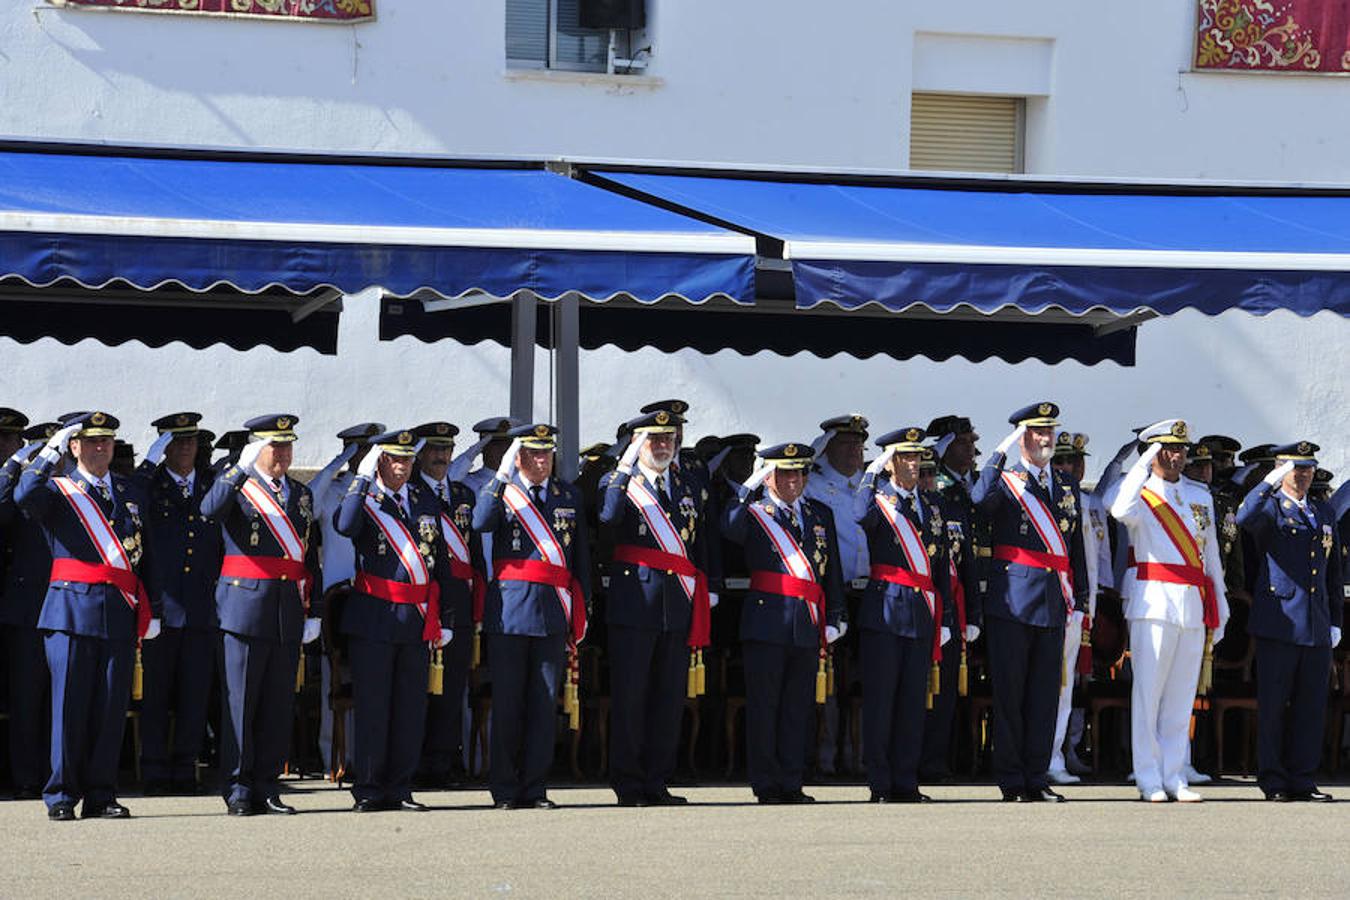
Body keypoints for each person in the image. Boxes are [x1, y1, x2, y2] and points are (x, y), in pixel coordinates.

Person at [16, 412, 160, 820]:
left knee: (110, 708)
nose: (101, 448)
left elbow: (147, 555)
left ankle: (101, 793)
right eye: (91, 442)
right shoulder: (58, 489)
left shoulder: (130, 492)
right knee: (68, 706)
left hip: (118, 611)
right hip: (70, 611)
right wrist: (48, 453)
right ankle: (61, 794)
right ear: (74, 447)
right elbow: (24, 494)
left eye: (107, 442)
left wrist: (155, 610)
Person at [201, 414, 322, 816]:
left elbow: (310, 556)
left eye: (288, 446)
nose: (284, 453)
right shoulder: (238, 487)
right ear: (257, 448)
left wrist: (314, 609)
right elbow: (209, 509)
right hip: (243, 607)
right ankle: (237, 787)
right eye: (275, 446)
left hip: (287, 607)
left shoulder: (300, 494)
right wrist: (238, 467)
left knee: (276, 703)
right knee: (240, 702)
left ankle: (268, 785)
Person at [970, 402, 1089, 803]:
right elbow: (978, 501)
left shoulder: (1066, 484)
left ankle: (1036, 777)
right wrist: (998, 454)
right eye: (1037, 432)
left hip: (1055, 599)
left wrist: (1083, 596)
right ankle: (1012, 780)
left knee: (1043, 696)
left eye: (1050, 432)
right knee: (1011, 695)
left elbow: (1075, 546)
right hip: (1013, 600)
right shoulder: (1005, 479)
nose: (1045, 439)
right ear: (1022, 436)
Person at [334, 429, 456, 811]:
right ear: (380, 461)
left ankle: (400, 787)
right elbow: (344, 526)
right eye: (394, 459)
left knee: (408, 709)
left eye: (407, 459)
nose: (402, 466)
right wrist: (362, 478)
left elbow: (442, 563)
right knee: (373, 708)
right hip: (374, 618)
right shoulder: (364, 500)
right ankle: (369, 788)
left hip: (415, 621)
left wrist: (445, 617)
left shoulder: (423, 499)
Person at [1109, 419, 1229, 803]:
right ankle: (1148, 777)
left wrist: (1220, 604)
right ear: (1153, 451)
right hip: (1154, 602)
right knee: (1149, 695)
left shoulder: (1200, 496)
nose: (1176, 456)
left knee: (1181, 697)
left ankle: (1175, 774)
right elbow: (1118, 510)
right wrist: (1143, 464)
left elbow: (1210, 556)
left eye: (1180, 449)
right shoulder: (1140, 492)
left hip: (1192, 603)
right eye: (1167, 449)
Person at [472, 423, 590, 810]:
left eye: (547, 453)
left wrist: (581, 609)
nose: (542, 460)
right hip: (510, 614)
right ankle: (505, 788)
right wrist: (502, 474)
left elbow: (581, 561)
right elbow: (480, 522)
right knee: (509, 704)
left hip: (553, 613)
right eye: (534, 453)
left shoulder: (567, 496)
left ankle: (535, 787)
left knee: (543, 704)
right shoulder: (504, 493)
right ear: (519, 457)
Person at [599, 410, 713, 806]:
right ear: (637, 443)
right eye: (653, 439)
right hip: (635, 606)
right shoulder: (619, 482)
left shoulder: (687, 484)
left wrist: (707, 587)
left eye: (668, 438)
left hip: (676, 605)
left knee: (668, 699)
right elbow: (608, 516)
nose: (663, 446)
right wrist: (625, 465)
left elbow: (700, 542)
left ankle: (657, 780)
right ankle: (628, 783)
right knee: (632, 697)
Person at [722, 441, 845, 804]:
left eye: (801, 472)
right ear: (770, 476)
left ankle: (792, 781)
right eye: (785, 473)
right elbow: (728, 527)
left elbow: (831, 570)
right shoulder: (755, 513)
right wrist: (750, 486)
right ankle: (766, 783)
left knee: (798, 708)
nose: (795, 480)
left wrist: (836, 614)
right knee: (765, 706)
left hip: (806, 622)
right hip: (767, 620)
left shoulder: (819, 513)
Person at [1237, 442, 1343, 802]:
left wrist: (1335, 621)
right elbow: (1243, 518)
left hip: (1315, 624)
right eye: (1297, 468)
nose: (1305, 475)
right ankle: (1274, 779)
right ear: (1282, 471)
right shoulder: (1269, 509)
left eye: (1309, 468)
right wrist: (1268, 481)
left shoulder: (1322, 511)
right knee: (1274, 706)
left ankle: (1302, 778)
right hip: (1279, 623)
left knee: (1310, 707)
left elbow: (1333, 571)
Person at [852, 427, 953, 802]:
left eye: (917, 457)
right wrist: (871, 473)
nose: (914, 464)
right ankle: (880, 784)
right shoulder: (878, 501)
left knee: (913, 701)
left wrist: (946, 618)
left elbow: (941, 566)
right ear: (891, 461)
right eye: (905, 457)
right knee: (882, 702)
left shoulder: (932, 505)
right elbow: (857, 515)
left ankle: (906, 782)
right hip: (885, 610)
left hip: (922, 612)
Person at [135, 412, 222, 795]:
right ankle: (153, 768)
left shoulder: (210, 486)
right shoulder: (150, 489)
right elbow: (130, 502)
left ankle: (186, 768)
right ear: (164, 447)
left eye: (192, 441)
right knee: (156, 694)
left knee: (194, 693)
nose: (186, 447)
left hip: (202, 608)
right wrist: (146, 465)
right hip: (162, 607)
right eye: (178, 441)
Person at [309, 421, 384, 776]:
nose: (365, 456)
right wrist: (339, 461)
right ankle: (334, 757)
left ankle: (368, 758)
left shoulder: (382, 491)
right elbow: (308, 497)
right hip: (337, 597)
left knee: (373, 678)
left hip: (373, 593)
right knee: (334, 677)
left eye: (370, 449)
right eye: (360, 449)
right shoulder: (333, 490)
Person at [412, 420, 484, 788]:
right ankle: (414, 761)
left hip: (457, 599)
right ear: (420, 454)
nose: (441, 457)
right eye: (435, 450)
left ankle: (443, 761)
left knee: (453, 685)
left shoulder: (464, 496)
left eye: (447, 450)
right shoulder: (408, 494)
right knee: (416, 686)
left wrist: (479, 602)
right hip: (422, 600)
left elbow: (474, 553)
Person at [920, 414, 986, 780]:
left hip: (956, 602)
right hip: (920, 600)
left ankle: (945, 759)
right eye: (963, 442)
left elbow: (968, 561)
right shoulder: (930, 496)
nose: (972, 449)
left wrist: (973, 613)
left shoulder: (962, 497)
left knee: (950, 689)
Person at [804, 414, 870, 776]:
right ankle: (825, 757)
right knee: (827, 683)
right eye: (845, 444)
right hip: (833, 595)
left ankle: (859, 755)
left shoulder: (871, 484)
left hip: (868, 593)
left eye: (859, 445)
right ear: (827, 448)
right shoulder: (813, 485)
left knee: (863, 681)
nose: (853, 452)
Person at [1046, 432, 1110, 784]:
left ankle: (1064, 750)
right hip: (1053, 598)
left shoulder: (1086, 503)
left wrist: (1092, 602)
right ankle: (1047, 753)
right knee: (1051, 681)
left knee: (1071, 682)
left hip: (1081, 603)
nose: (1069, 467)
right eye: (1061, 460)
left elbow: (1095, 561)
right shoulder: (1049, 499)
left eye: (1074, 461)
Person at [0, 420, 53, 800]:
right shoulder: (16, 490)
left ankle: (59, 770)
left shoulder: (69, 490)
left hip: (65, 605)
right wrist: (11, 469)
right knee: (26, 698)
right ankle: (26, 776)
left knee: (60, 697)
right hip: (25, 608)